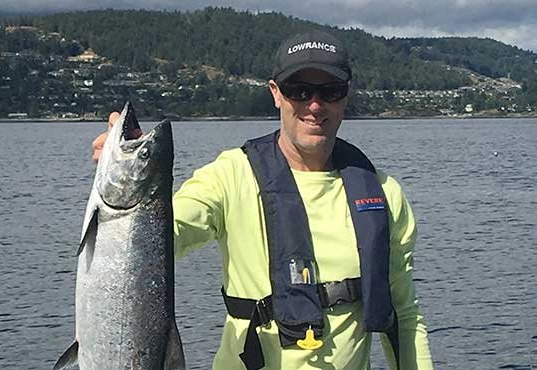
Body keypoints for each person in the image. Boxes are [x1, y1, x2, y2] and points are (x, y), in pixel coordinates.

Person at [92, 30, 433, 370]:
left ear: (345, 97)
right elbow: (160, 235)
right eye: (298, 91)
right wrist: (129, 177)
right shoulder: (230, 176)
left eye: (329, 91)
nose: (314, 105)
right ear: (276, 94)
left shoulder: (384, 194)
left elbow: (403, 314)